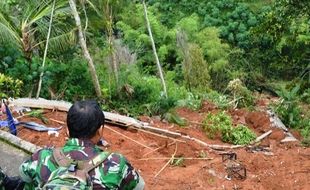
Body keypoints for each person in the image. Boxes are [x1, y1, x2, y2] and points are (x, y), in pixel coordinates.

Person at [0, 100, 145, 189]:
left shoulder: (42, 156)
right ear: (100, 131)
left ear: (67, 130)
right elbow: (139, 186)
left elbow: (22, 176)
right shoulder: (117, 163)